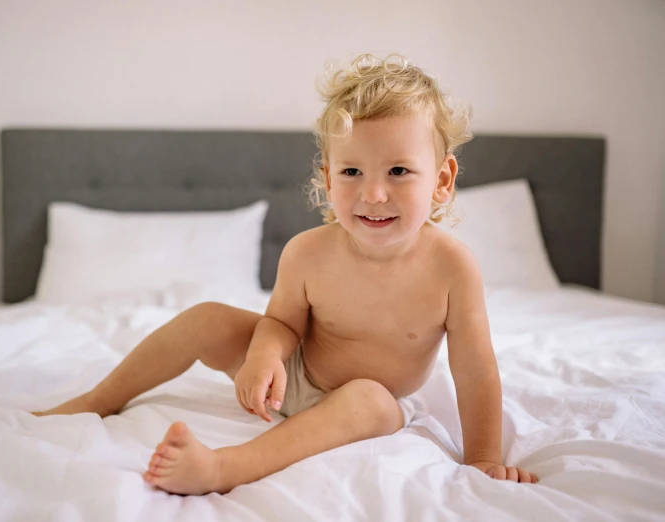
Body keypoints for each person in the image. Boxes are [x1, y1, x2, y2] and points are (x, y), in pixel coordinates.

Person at [34, 53, 539, 494]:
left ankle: (223, 467)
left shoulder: (452, 267)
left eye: (399, 171)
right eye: (352, 171)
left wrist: (481, 458)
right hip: (290, 376)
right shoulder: (307, 252)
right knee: (206, 317)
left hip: (367, 404)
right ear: (327, 177)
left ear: (442, 180)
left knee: (369, 397)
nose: (374, 194)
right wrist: (262, 356)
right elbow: (281, 324)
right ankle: (98, 400)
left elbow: (475, 370)